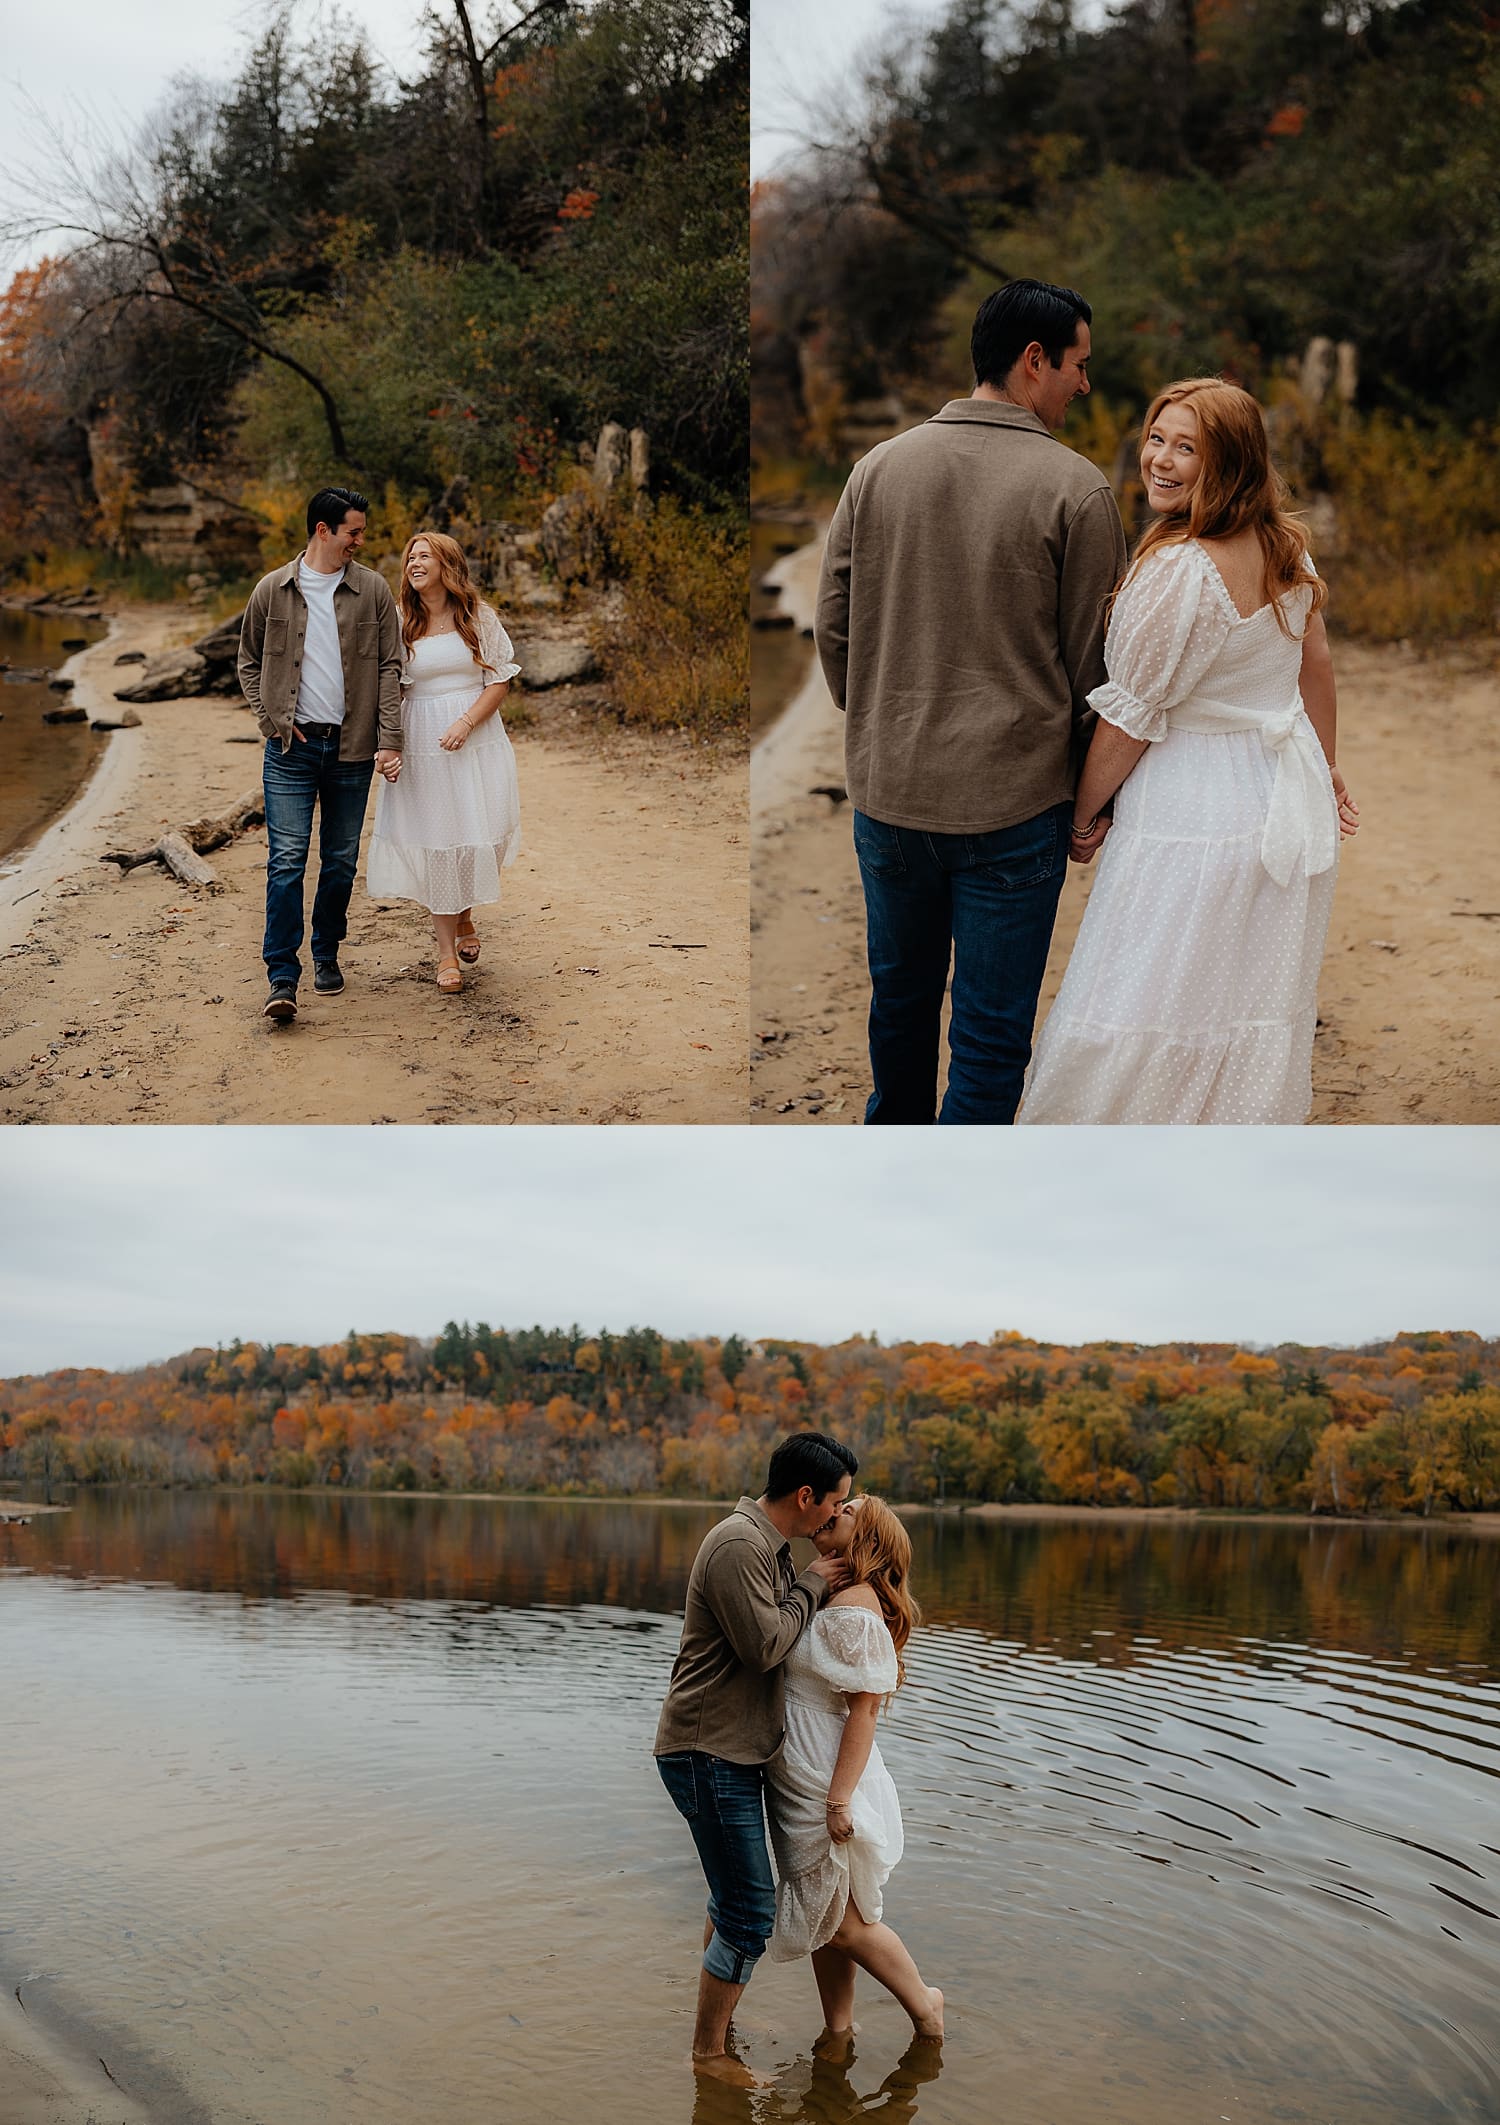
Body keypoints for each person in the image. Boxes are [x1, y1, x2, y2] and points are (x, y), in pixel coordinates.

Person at [815, 279, 1127, 1125]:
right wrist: (1091, 803)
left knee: (901, 1014)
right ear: (1035, 361)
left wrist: (879, 719)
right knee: (990, 1045)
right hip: (1014, 809)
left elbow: (833, 628)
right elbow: (1095, 674)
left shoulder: (876, 469)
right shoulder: (1079, 490)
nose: (1083, 384)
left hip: (890, 797)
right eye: (1079, 364)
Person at [1019, 377, 1361, 1125]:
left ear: (1232, 463)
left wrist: (1082, 817)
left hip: (1193, 808)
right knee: (1239, 1006)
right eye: (1156, 439)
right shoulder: (1286, 551)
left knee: (1140, 998)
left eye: (1188, 449)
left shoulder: (1181, 569)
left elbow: (1132, 719)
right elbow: (1317, 667)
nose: (1161, 461)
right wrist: (1323, 765)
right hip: (1278, 797)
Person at [655, 1431, 858, 2085]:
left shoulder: (766, 1546)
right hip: (706, 1749)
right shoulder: (741, 1544)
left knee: (729, 1902)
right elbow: (765, 1647)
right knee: (750, 1912)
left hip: (729, 1751)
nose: (836, 1516)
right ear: (806, 1496)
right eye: (836, 1504)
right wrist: (813, 1583)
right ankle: (710, 2055)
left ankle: (720, 2024)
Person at [765, 1494, 942, 2050]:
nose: (830, 1513)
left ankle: (925, 2006)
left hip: (825, 1774)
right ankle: (838, 2030)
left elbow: (863, 1711)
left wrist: (838, 1801)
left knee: (843, 1921)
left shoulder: (857, 1606)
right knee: (828, 1915)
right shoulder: (832, 1592)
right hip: (804, 1767)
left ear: (863, 1536)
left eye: (844, 1511)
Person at [238, 487, 404, 1023]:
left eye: (361, 531)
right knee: (286, 862)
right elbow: (248, 661)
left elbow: (388, 665)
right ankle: (282, 976)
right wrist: (271, 721)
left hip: (352, 748)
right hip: (291, 748)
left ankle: (326, 951)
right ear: (323, 530)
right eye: (353, 531)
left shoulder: (374, 590)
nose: (361, 540)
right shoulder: (272, 589)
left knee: (339, 862)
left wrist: (388, 737)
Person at [365, 532, 523, 993]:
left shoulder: (477, 615)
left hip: (475, 739)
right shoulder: (400, 621)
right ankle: (445, 953)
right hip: (421, 741)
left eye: (424, 556)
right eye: (410, 557)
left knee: (479, 836)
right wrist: (387, 744)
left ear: (446, 564)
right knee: (438, 842)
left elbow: (499, 679)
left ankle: (467, 916)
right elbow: (388, 689)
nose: (414, 563)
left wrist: (466, 722)